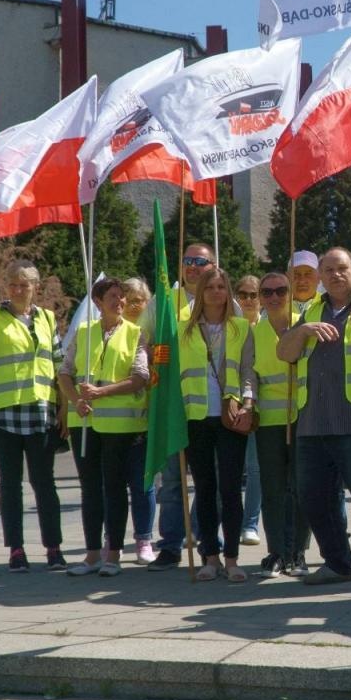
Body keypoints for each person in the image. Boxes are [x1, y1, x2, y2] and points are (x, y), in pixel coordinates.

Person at [276, 247, 351, 594]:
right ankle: (337, 562)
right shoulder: (310, 311)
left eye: (342, 268)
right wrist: (301, 332)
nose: (334, 275)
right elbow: (284, 354)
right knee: (314, 496)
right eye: (327, 270)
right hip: (314, 421)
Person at [0, 259, 64, 573]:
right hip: (4, 412)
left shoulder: (47, 319)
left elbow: (59, 363)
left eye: (25, 284)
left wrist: (63, 405)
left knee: (44, 482)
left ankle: (54, 548)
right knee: (10, 484)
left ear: (35, 288)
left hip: (40, 410)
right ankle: (16, 550)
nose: (19, 289)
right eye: (13, 283)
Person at [58, 276, 149, 578]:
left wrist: (101, 393)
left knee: (114, 489)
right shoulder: (83, 332)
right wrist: (76, 401)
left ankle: (114, 554)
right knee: (90, 490)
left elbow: (139, 377)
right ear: (98, 302)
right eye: (112, 296)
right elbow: (65, 373)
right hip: (84, 423)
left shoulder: (136, 334)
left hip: (119, 426)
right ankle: (92, 553)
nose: (119, 301)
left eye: (122, 297)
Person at [180, 266, 254, 583]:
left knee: (230, 489)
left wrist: (247, 401)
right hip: (196, 416)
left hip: (230, 415)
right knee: (205, 489)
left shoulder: (241, 327)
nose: (216, 292)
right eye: (210, 287)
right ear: (200, 292)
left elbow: (250, 370)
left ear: (228, 292)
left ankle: (233, 558)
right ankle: (210, 556)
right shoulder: (183, 329)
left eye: (222, 286)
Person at [148, 244, 217, 570]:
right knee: (173, 482)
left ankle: (209, 545)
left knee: (208, 483)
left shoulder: (219, 298)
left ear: (213, 265)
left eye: (200, 261)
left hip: (208, 410)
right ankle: (171, 546)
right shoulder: (164, 301)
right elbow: (146, 343)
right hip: (175, 406)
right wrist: (156, 355)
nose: (192, 266)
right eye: (187, 260)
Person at [244, 271, 309, 577]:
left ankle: (297, 552)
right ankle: (277, 552)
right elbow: (248, 373)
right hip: (268, 421)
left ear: (290, 292)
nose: (273, 297)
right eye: (266, 292)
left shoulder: (303, 323)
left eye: (280, 291)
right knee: (272, 489)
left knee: (301, 487)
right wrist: (247, 400)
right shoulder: (253, 331)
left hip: (303, 417)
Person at [119, 278, 157, 564]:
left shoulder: (152, 334)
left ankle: (144, 539)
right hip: (114, 420)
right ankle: (113, 540)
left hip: (145, 417)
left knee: (144, 484)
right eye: (127, 299)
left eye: (138, 301)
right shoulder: (111, 332)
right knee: (114, 486)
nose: (133, 306)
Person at [234, 274, 265, 548]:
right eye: (241, 294)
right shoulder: (230, 326)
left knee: (255, 469)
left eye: (253, 294)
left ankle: (250, 524)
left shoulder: (266, 325)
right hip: (231, 405)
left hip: (261, 406)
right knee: (227, 469)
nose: (247, 300)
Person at [289, 250, 321, 319]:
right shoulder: (277, 305)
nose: (302, 281)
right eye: (296, 274)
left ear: (319, 277)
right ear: (287, 277)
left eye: (308, 274)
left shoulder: (330, 306)